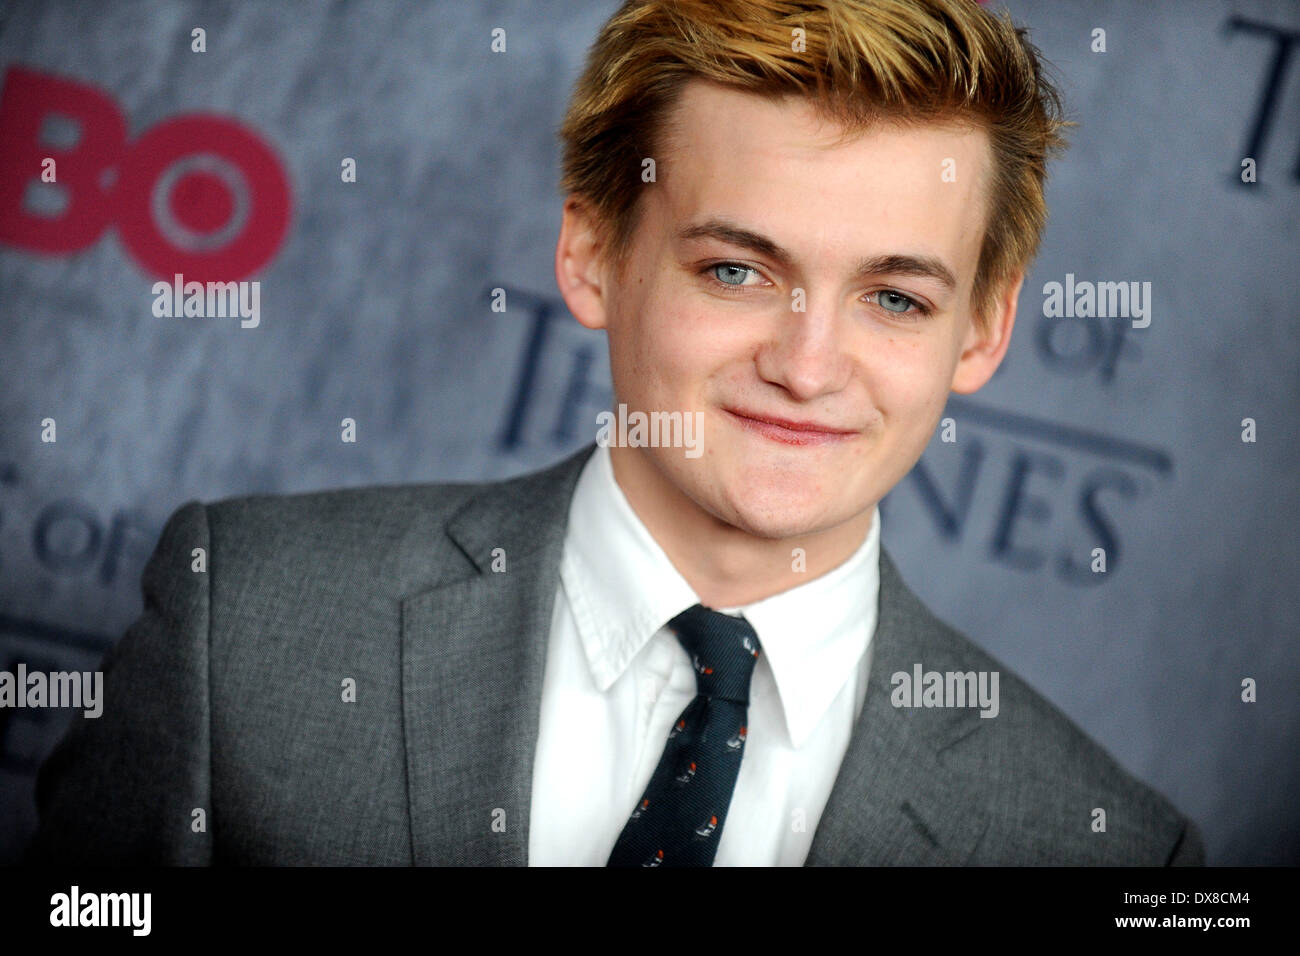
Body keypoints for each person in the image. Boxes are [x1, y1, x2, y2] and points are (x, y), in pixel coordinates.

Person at [25, 0, 1202, 866]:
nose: (804, 366)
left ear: (984, 330)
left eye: (895, 297)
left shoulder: (1101, 845)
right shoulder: (246, 625)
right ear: (591, 255)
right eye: (737, 269)